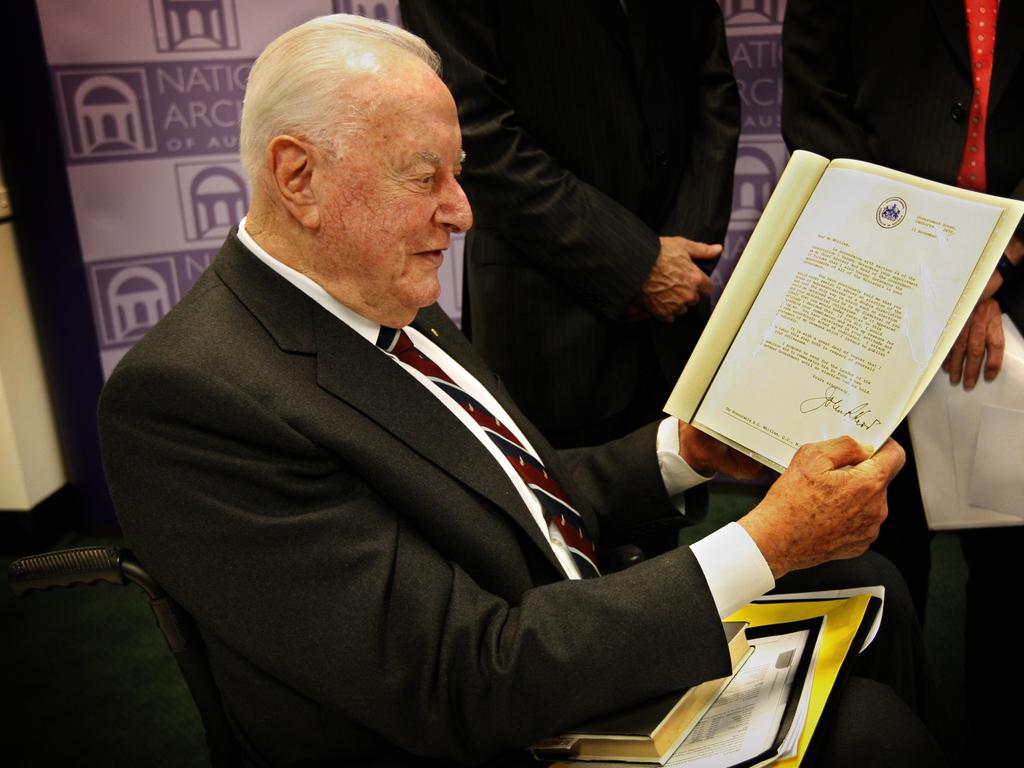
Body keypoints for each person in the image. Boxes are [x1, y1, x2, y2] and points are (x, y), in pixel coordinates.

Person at [98, 14, 944, 767]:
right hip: (488, 716)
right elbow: (456, 681)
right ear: (298, 177)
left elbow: (510, 499)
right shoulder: (193, 398)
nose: (462, 212)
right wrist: (766, 541)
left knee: (873, 582)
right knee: (871, 734)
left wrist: (682, 453)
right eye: (423, 176)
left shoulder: (379, 291)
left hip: (544, 634)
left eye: (459, 174)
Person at [781, 1, 1024, 763]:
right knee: (875, 540)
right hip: (875, 273)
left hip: (1019, 280)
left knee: (1015, 549)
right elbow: (817, 113)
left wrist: (995, 265)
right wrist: (937, 265)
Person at [397, 0, 739, 451]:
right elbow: (474, 130)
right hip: (546, 317)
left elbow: (712, 90)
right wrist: (637, 265)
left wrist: (685, 255)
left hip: (674, 316)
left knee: (670, 502)